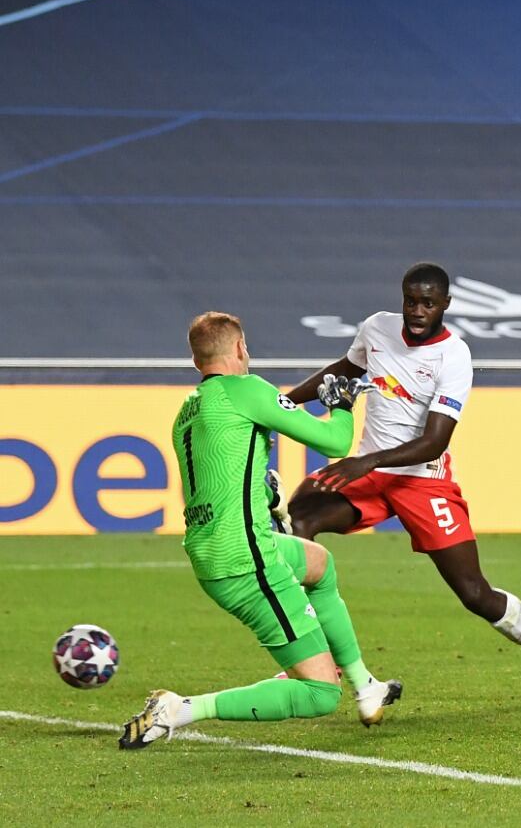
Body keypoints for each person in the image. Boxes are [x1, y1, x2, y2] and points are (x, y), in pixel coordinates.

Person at [285, 263, 521, 704]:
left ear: (445, 304)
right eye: (410, 300)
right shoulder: (376, 329)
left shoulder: (454, 356)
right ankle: (314, 661)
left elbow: (434, 441)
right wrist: (282, 404)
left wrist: (366, 462)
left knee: (475, 593)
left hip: (423, 481)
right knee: (297, 520)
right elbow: (344, 369)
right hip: (371, 474)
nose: (417, 310)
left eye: (427, 303)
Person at [119, 312, 400, 749]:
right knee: (321, 693)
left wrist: (261, 490)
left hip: (217, 548)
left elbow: (212, 476)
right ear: (239, 348)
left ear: (198, 362)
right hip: (246, 560)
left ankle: (367, 686)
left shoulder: (188, 410)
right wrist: (342, 405)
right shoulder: (248, 390)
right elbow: (334, 444)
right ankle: (182, 709)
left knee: (319, 565)